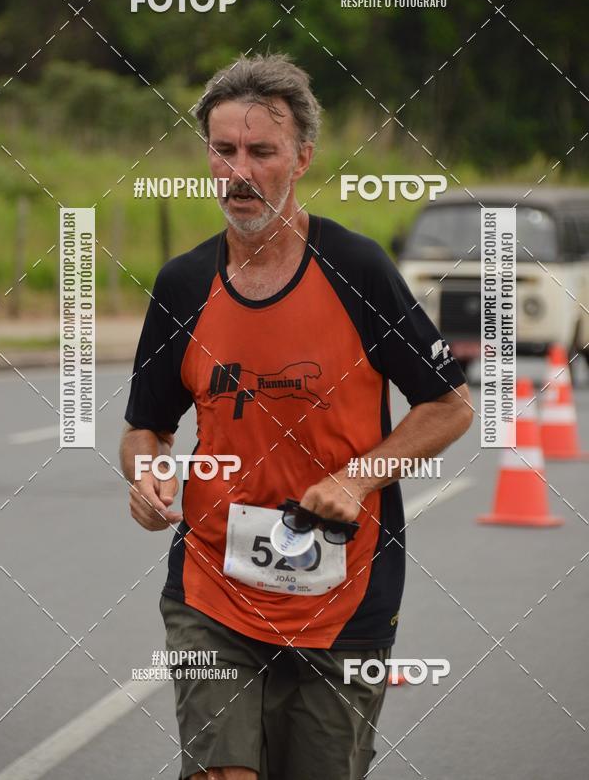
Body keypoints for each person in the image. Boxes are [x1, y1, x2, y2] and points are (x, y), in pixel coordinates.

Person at [120, 53, 473, 780]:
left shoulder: (358, 270)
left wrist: (357, 480)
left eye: (261, 151)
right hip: (211, 587)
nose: (239, 171)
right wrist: (150, 474)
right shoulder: (183, 284)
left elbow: (448, 405)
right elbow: (146, 427)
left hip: (343, 598)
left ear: (302, 157)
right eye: (223, 151)